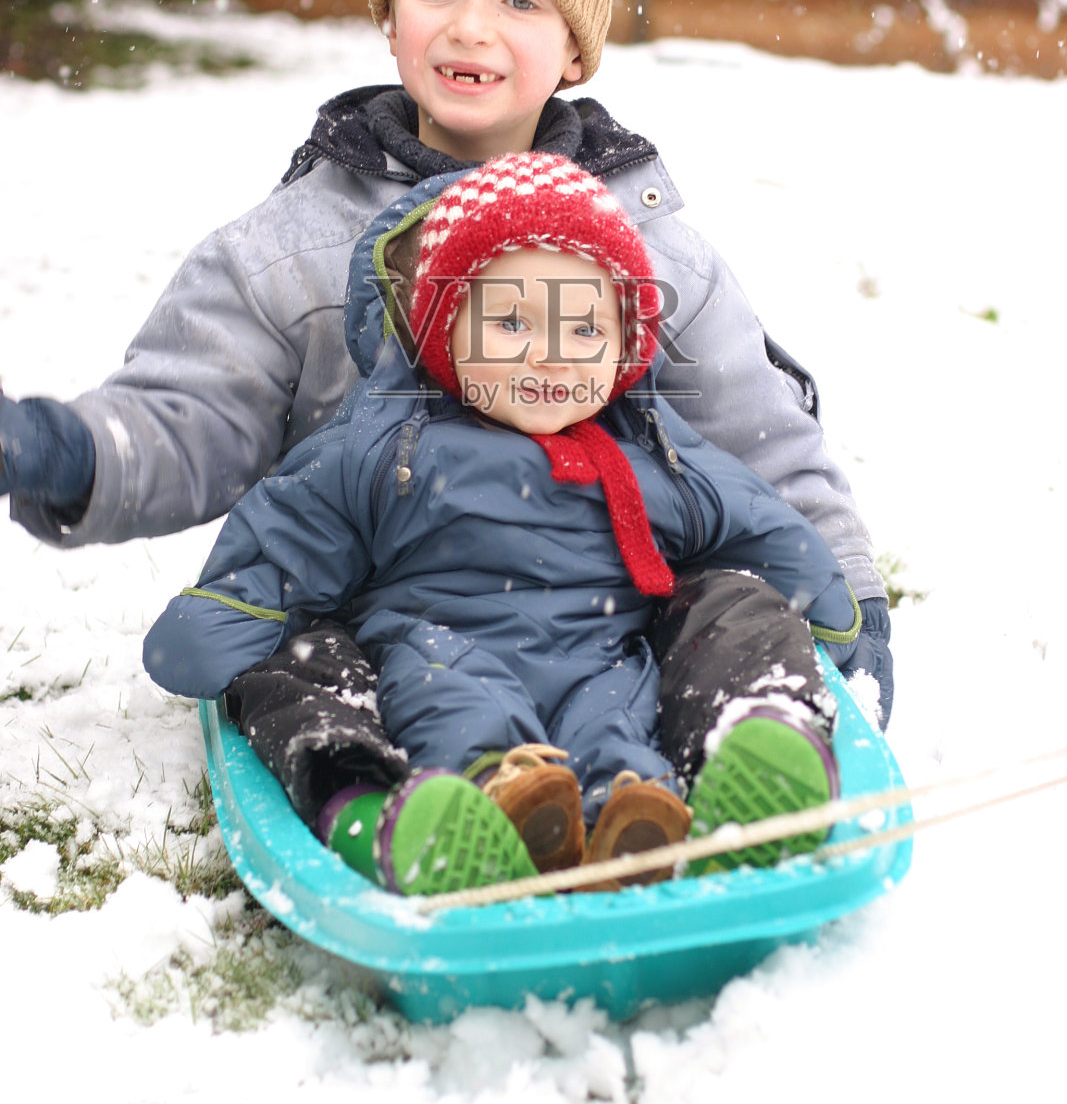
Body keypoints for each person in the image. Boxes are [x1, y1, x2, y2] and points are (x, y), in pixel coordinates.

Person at [0, 0, 892, 796]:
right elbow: (198, 409)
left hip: (609, 613)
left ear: (574, 51)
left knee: (729, 604)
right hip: (380, 607)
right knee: (296, 661)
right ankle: (387, 800)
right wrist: (72, 451)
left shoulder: (644, 252)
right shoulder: (294, 247)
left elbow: (756, 439)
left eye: (519, 1)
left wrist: (847, 585)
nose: (470, 25)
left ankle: (746, 748)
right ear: (389, 17)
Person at [145, 153, 856, 898]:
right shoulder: (388, 440)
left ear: (626, 344)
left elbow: (757, 527)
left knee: (680, 656)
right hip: (438, 643)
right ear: (444, 328)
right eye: (511, 321)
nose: (548, 354)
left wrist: (829, 612)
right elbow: (291, 533)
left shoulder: (648, 447)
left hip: (608, 650)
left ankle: (674, 800)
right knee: (392, 684)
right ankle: (478, 811)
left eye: (585, 329)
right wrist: (216, 623)